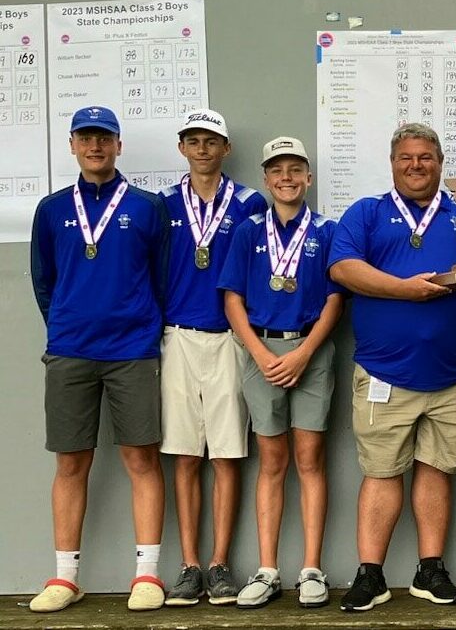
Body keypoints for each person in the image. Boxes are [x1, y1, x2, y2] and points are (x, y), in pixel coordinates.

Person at [329, 123, 456, 612]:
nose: (416, 165)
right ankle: (370, 575)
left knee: (436, 470)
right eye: (406, 157)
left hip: (453, 373)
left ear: (441, 163)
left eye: (426, 157)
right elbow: (343, 269)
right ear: (392, 162)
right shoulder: (367, 213)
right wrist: (405, 288)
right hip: (385, 373)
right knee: (381, 473)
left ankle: (430, 570)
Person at [29, 106, 170, 612]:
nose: (95, 147)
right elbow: (44, 282)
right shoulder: (50, 210)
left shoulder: (148, 207)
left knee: (141, 457)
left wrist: (138, 327)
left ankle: (147, 575)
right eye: (86, 138)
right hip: (69, 350)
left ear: (118, 145)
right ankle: (66, 578)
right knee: (71, 461)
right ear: (72, 145)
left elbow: (161, 278)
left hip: (132, 351)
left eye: (104, 138)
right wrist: (68, 321)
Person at [218, 136, 344, 609]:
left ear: (308, 178)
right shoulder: (249, 231)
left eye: (295, 169)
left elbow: (335, 298)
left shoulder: (326, 231)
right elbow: (232, 298)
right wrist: (260, 353)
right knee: (271, 462)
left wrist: (304, 353)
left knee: (310, 459)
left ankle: (312, 568)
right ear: (267, 179)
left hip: (310, 351)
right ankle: (268, 568)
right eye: (277, 170)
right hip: (260, 352)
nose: (286, 178)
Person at [158, 109, 267, 606]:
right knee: (184, 455)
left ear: (226, 148)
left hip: (229, 338)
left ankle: (221, 563)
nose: (202, 149)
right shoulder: (161, 206)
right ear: (182, 147)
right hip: (177, 336)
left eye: (212, 141)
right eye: (193, 140)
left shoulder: (249, 202)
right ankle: (189, 565)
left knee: (226, 453)